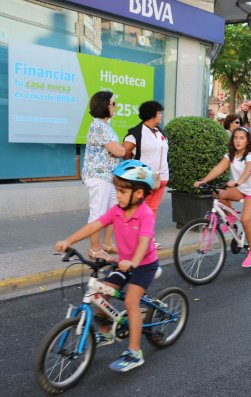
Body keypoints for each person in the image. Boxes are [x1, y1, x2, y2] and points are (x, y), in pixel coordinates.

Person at [56, 160, 160, 372]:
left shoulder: (145, 214)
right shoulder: (116, 211)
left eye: (122, 191)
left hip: (143, 265)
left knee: (131, 301)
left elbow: (144, 241)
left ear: (139, 193)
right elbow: (95, 225)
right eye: (117, 190)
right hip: (123, 265)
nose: (118, 194)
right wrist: (69, 241)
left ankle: (134, 352)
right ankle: (107, 331)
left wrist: (133, 262)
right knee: (101, 294)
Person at [193, 126, 251, 268]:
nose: (238, 141)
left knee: (246, 219)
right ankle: (231, 219)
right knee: (217, 192)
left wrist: (238, 181)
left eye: (242, 138)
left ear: (247, 141)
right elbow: (218, 168)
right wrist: (203, 181)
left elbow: (249, 169)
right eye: (235, 137)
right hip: (242, 188)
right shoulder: (231, 155)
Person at [81, 91, 126, 261]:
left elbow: (117, 150)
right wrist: (120, 150)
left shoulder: (105, 126)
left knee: (113, 210)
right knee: (98, 213)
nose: (115, 107)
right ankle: (94, 249)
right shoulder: (99, 126)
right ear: (104, 106)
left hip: (109, 176)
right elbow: (118, 150)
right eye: (113, 103)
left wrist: (119, 150)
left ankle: (106, 243)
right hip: (98, 176)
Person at [123, 100, 168, 250]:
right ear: (151, 115)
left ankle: (148, 238)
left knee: (152, 210)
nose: (161, 116)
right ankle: (139, 240)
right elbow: (125, 152)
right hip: (145, 178)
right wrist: (135, 169)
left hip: (161, 178)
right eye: (159, 113)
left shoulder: (160, 131)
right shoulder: (136, 133)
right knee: (143, 209)